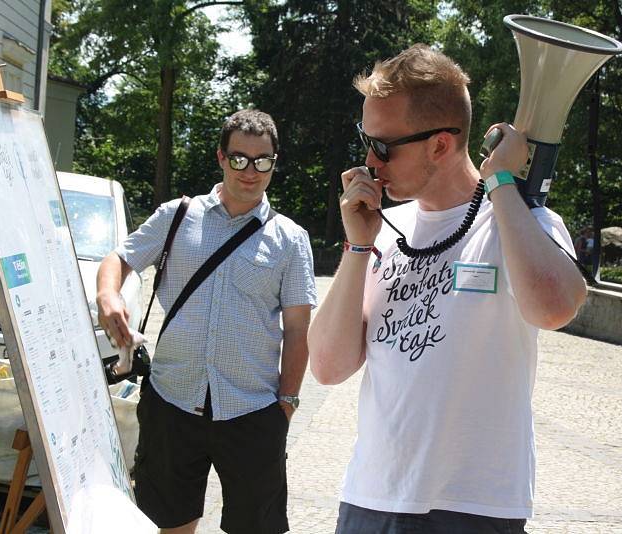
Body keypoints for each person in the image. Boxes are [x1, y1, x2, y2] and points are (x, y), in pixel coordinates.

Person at [307, 45, 587, 534]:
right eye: (365, 138)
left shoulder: (521, 221)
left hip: (476, 508)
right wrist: (357, 248)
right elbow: (328, 367)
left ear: (439, 144)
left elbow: (555, 307)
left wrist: (500, 180)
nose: (370, 159)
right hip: (371, 498)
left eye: (384, 145)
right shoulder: (381, 228)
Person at [96, 109, 317, 534]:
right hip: (172, 400)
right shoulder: (178, 216)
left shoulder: (290, 239)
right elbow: (119, 259)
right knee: (168, 524)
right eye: (239, 158)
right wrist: (108, 294)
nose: (249, 171)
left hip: (252, 408)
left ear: (274, 162)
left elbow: (298, 332)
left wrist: (286, 405)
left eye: (262, 160)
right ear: (221, 157)